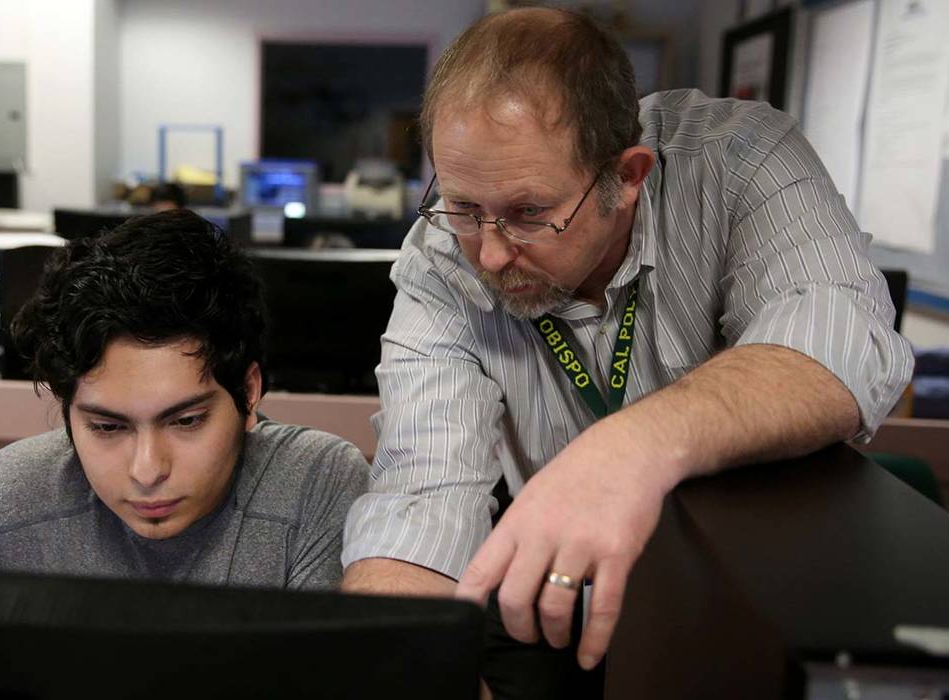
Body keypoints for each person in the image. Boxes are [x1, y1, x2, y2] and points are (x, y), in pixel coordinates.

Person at [341, 6, 914, 695]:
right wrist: (402, 666)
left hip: (744, 596)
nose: (488, 253)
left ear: (629, 174)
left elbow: (836, 341)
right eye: (462, 206)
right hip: (554, 602)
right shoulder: (442, 259)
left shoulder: (740, 161)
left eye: (529, 213)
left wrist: (625, 450)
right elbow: (420, 495)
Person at [0, 209, 369, 590]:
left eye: (187, 421)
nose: (148, 470)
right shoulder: (4, 499)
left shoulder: (315, 484)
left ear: (248, 393)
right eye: (108, 428)